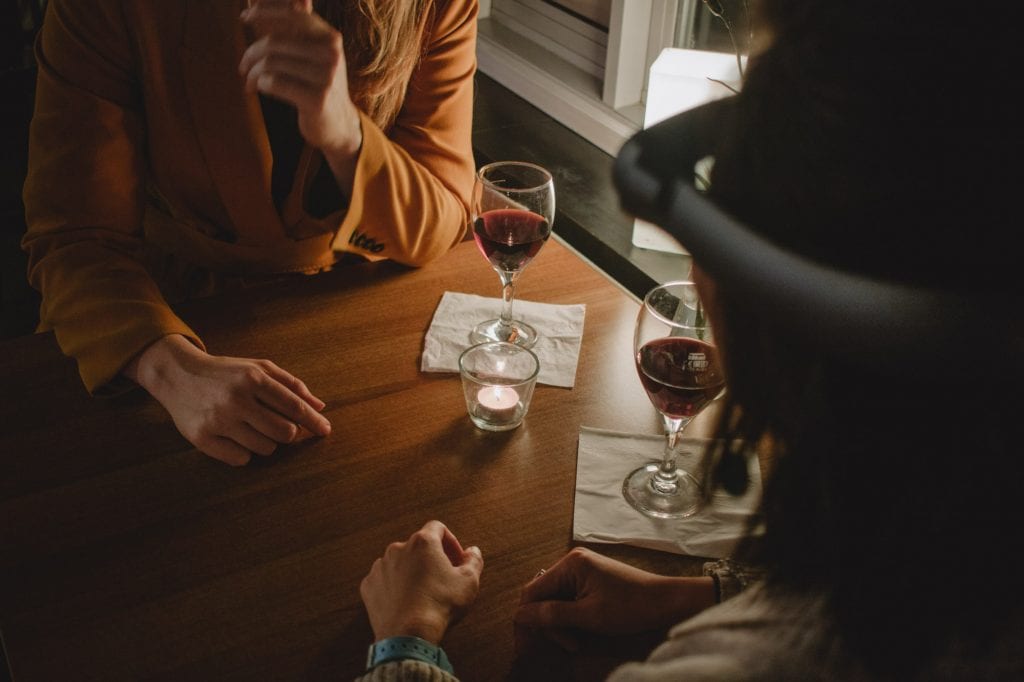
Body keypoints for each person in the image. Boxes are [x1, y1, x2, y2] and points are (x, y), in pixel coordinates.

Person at [356, 1, 1024, 679]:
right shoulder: (960, 543)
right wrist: (697, 595)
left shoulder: (755, 664)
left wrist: (409, 637)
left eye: (722, 200)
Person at [21, 0, 478, 465]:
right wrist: (170, 368)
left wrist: (346, 135)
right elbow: (74, 237)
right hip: (172, 317)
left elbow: (441, 217)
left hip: (358, 320)